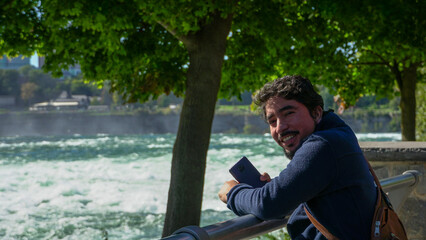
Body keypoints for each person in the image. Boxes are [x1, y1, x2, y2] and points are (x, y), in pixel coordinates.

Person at [218, 75, 377, 239]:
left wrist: (233, 193)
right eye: (272, 121)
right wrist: (286, 188)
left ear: (316, 113)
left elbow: (269, 204)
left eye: (288, 113)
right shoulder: (338, 134)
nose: (280, 127)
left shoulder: (322, 144)